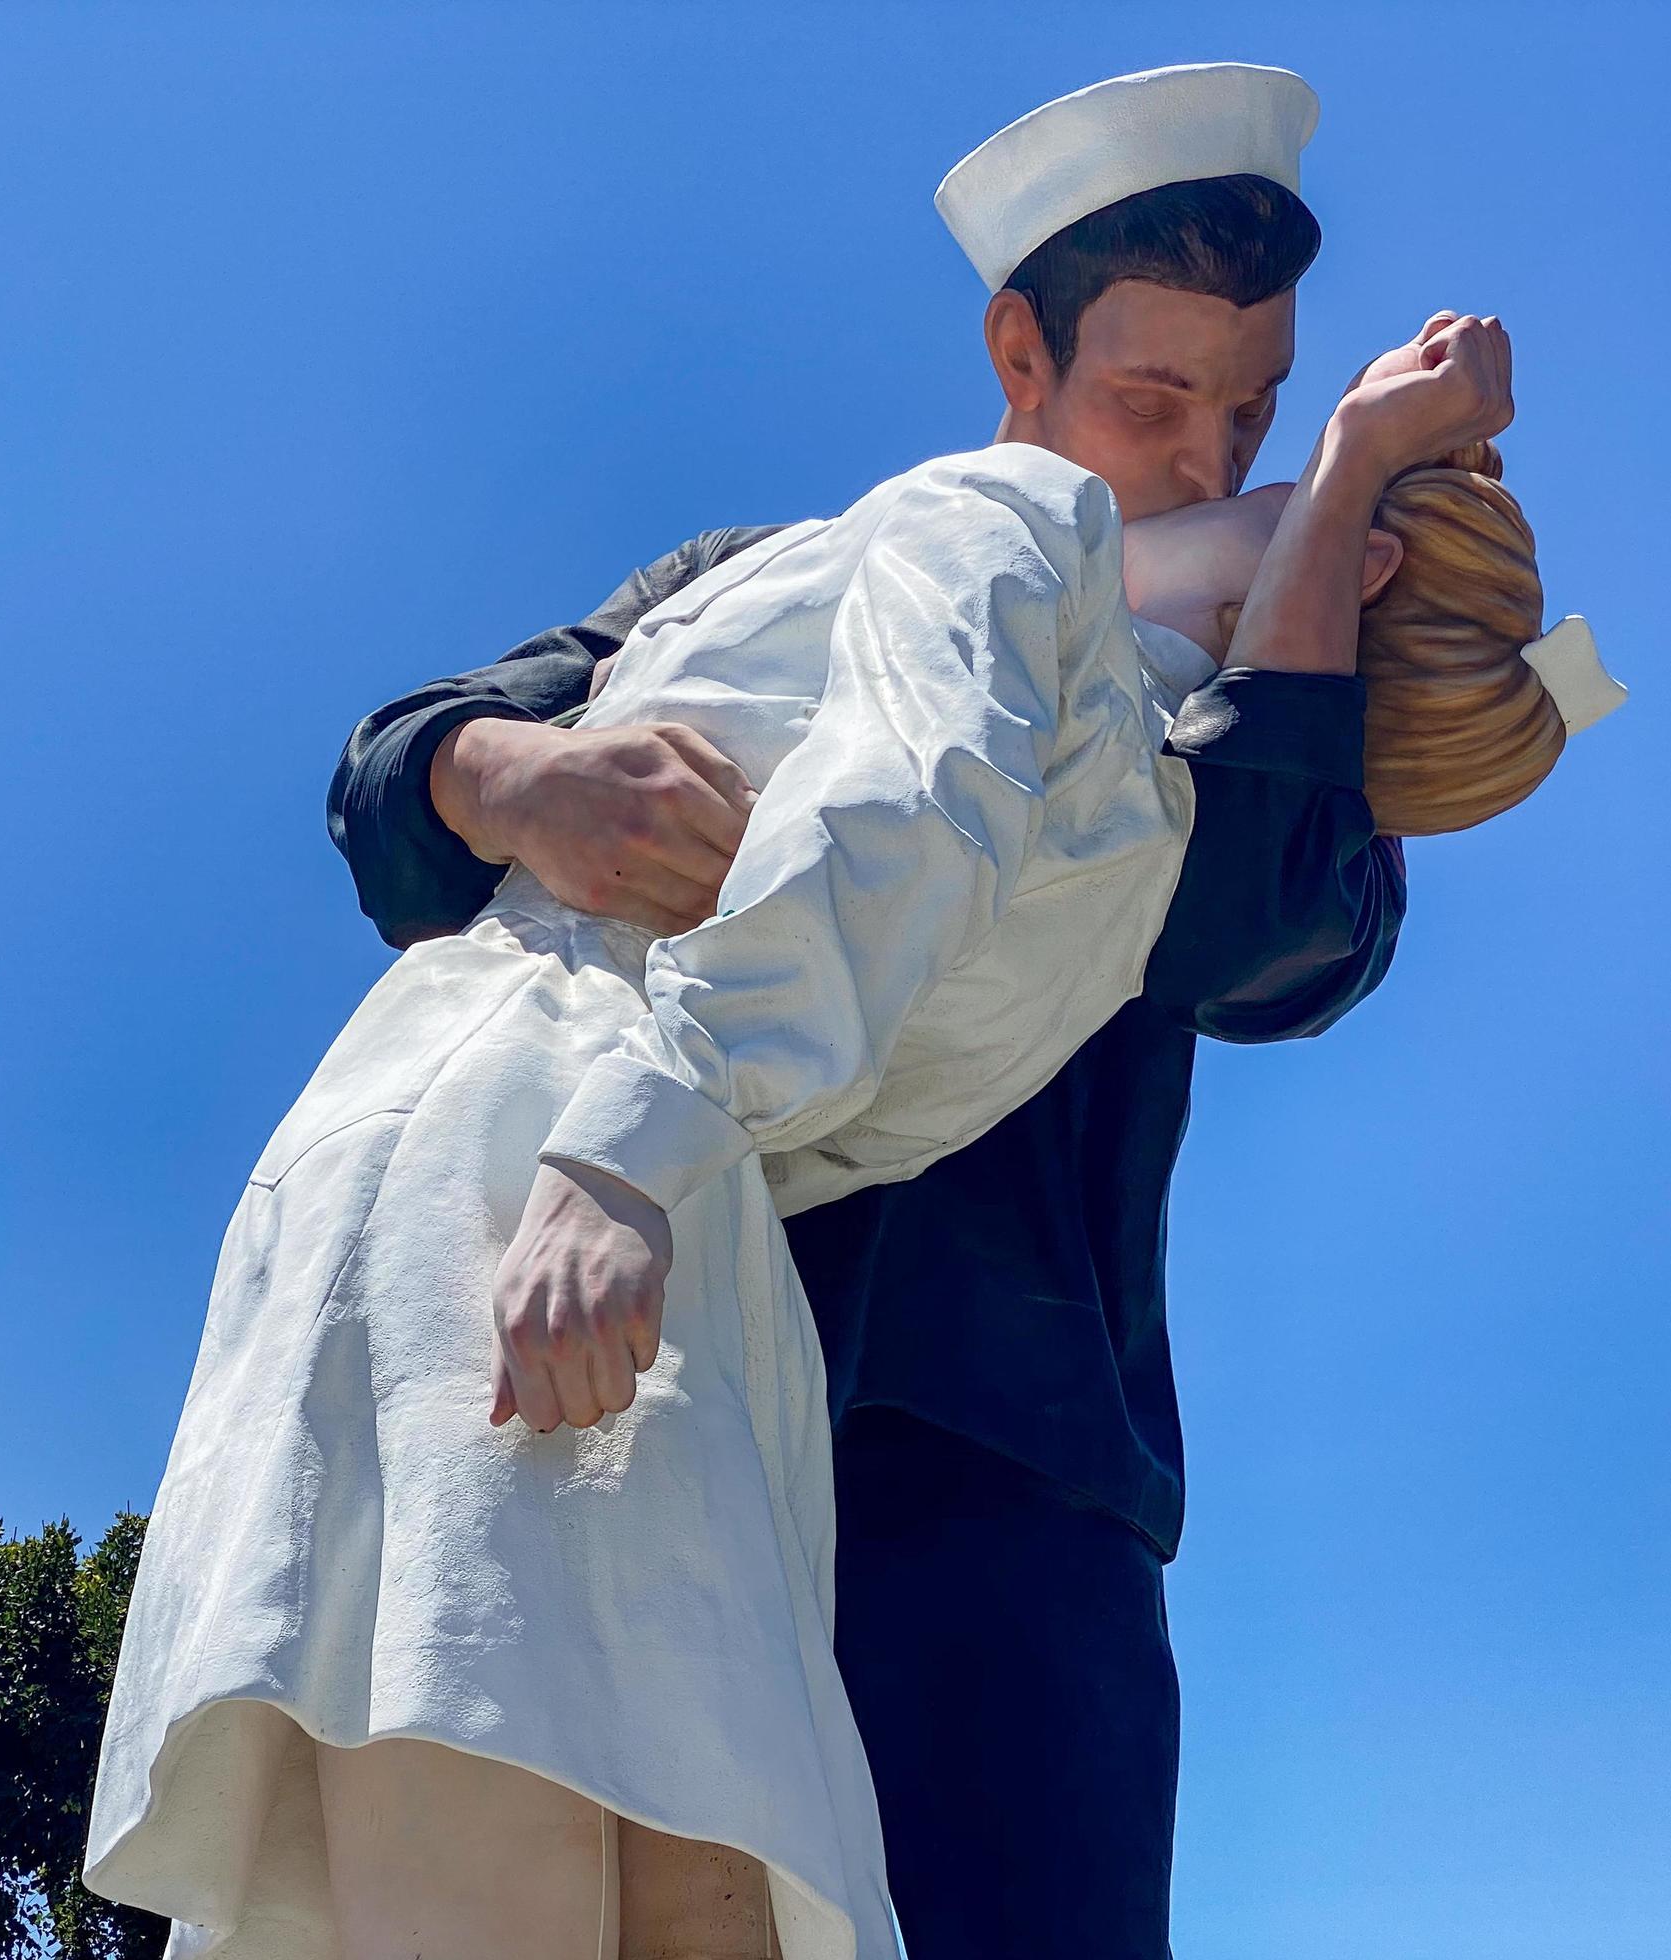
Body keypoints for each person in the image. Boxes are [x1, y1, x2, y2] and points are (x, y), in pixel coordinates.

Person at [313, 63, 1477, 1959]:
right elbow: (392, 791)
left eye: (1250, 411)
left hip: (1014, 1468)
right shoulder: (768, 584)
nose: (1203, 462)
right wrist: (511, 777)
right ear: (1018, 350)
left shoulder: (1281, 634)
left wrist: (1333, 526)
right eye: (1149, 399)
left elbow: (1268, 943)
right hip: (633, 1400)